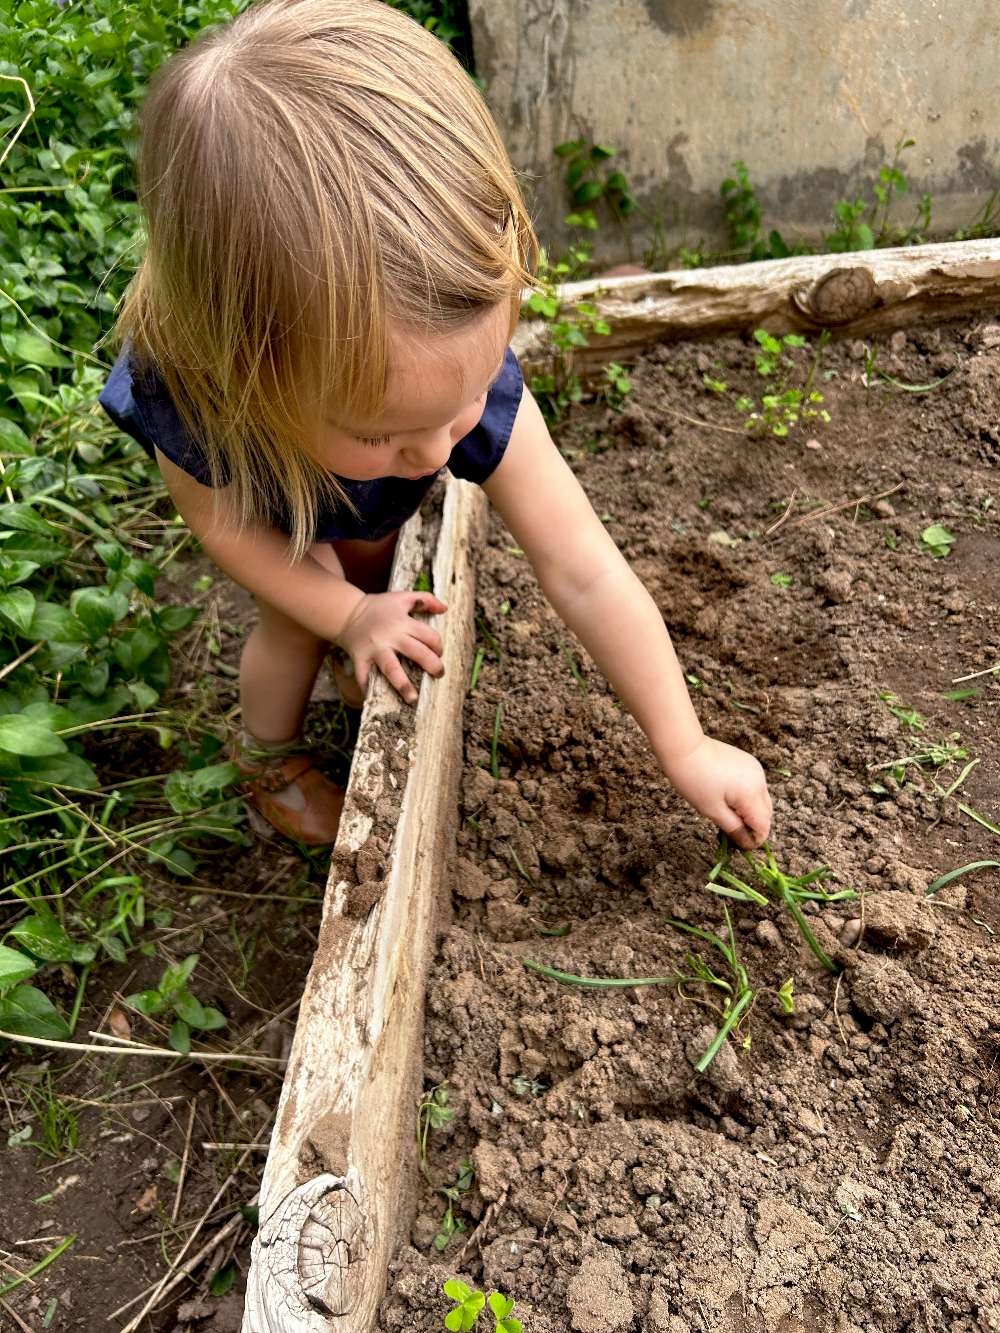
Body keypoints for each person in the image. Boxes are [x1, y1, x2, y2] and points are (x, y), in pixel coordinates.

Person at [99, 0, 772, 850]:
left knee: (375, 549)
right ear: (247, 373)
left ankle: (360, 614)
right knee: (294, 621)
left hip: (341, 488)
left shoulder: (450, 395)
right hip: (280, 507)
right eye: (383, 430)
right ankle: (266, 759)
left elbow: (585, 569)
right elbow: (227, 530)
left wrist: (686, 743)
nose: (440, 447)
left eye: (470, 391)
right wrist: (344, 613)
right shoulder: (196, 395)